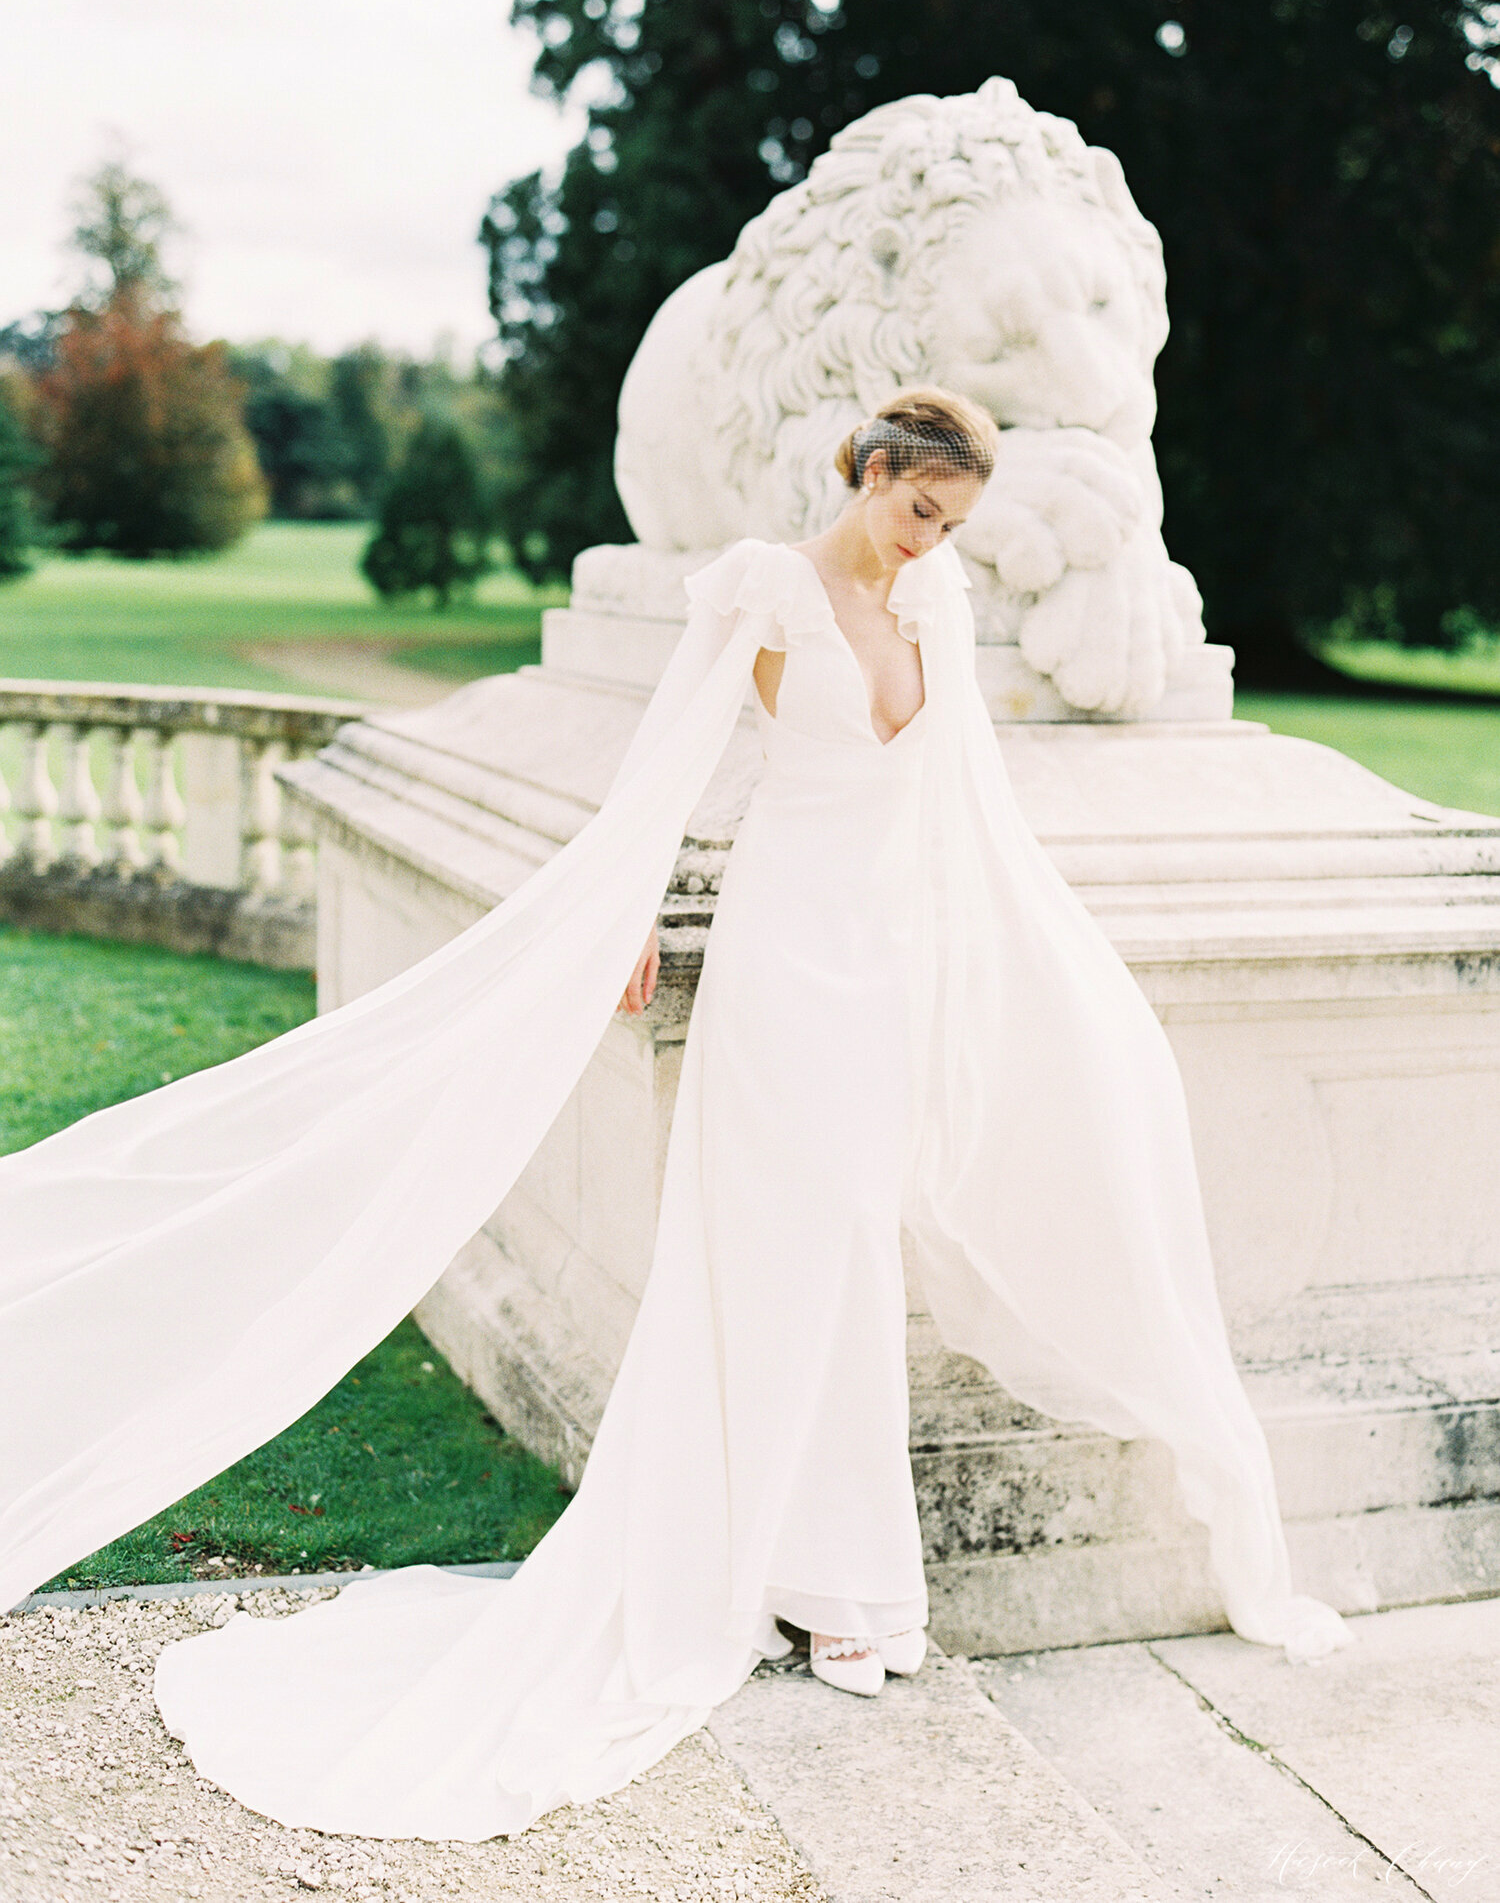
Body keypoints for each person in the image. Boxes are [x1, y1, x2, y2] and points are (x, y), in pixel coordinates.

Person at [0, 386, 1353, 1846]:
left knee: (852, 1254)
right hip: (780, 960)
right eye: (918, 510)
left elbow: (964, 803)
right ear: (874, 469)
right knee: (796, 1247)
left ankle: (840, 1580)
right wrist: (631, 901)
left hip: (882, 965)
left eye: (951, 526)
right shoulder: (768, 590)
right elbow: (672, 757)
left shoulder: (935, 608)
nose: (927, 541)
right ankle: (818, 1587)